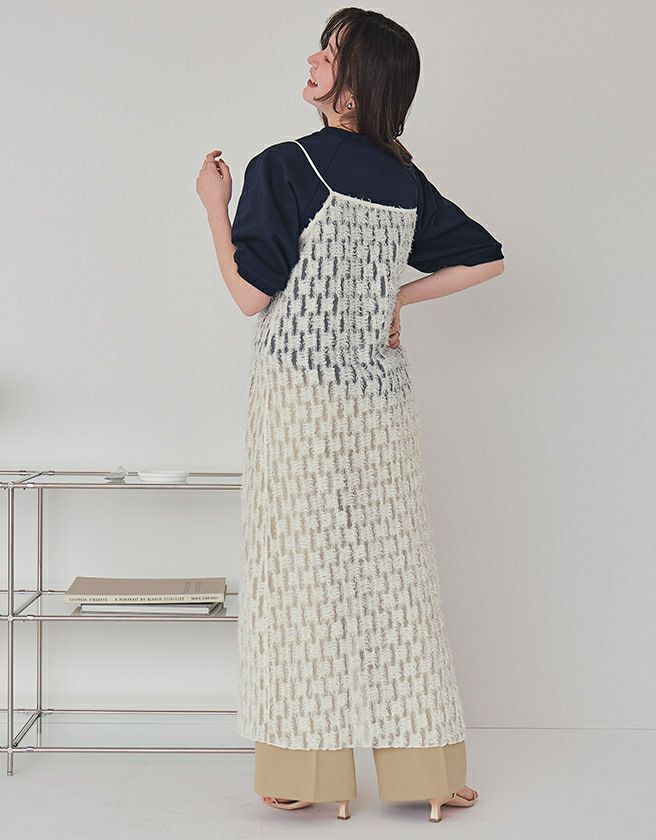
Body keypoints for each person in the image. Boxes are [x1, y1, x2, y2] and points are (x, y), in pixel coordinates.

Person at [196, 7, 505, 823]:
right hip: (382, 405)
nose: (314, 59)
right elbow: (486, 258)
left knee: (300, 578)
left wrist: (214, 208)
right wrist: (400, 295)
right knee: (398, 579)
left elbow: (249, 295)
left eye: (330, 53)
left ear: (357, 84)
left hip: (299, 400)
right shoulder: (404, 180)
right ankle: (427, 773)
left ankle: (309, 775)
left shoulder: (283, 164)